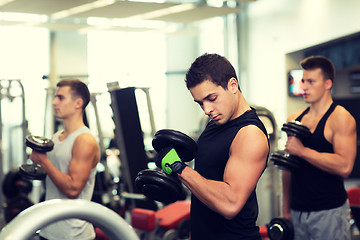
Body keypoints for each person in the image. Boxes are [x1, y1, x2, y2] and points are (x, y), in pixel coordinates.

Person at [158, 53, 269, 239]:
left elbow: (230, 204)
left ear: (233, 85)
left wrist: (179, 168)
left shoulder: (250, 134)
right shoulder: (215, 123)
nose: (207, 109)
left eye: (212, 98)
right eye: (200, 103)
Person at [282, 56, 357, 240]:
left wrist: (302, 151)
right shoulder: (295, 118)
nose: (304, 87)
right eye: (303, 81)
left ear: (327, 84)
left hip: (329, 211)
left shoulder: (340, 118)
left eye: (310, 82)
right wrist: (286, 208)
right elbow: (288, 168)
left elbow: (345, 166)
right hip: (297, 210)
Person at [30, 79, 100, 240]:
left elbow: (73, 189)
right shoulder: (56, 137)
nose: (54, 102)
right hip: (49, 229)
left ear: (78, 103)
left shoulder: (84, 140)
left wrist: (45, 162)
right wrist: (38, 165)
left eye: (60, 98)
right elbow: (53, 177)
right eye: (55, 97)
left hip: (73, 234)